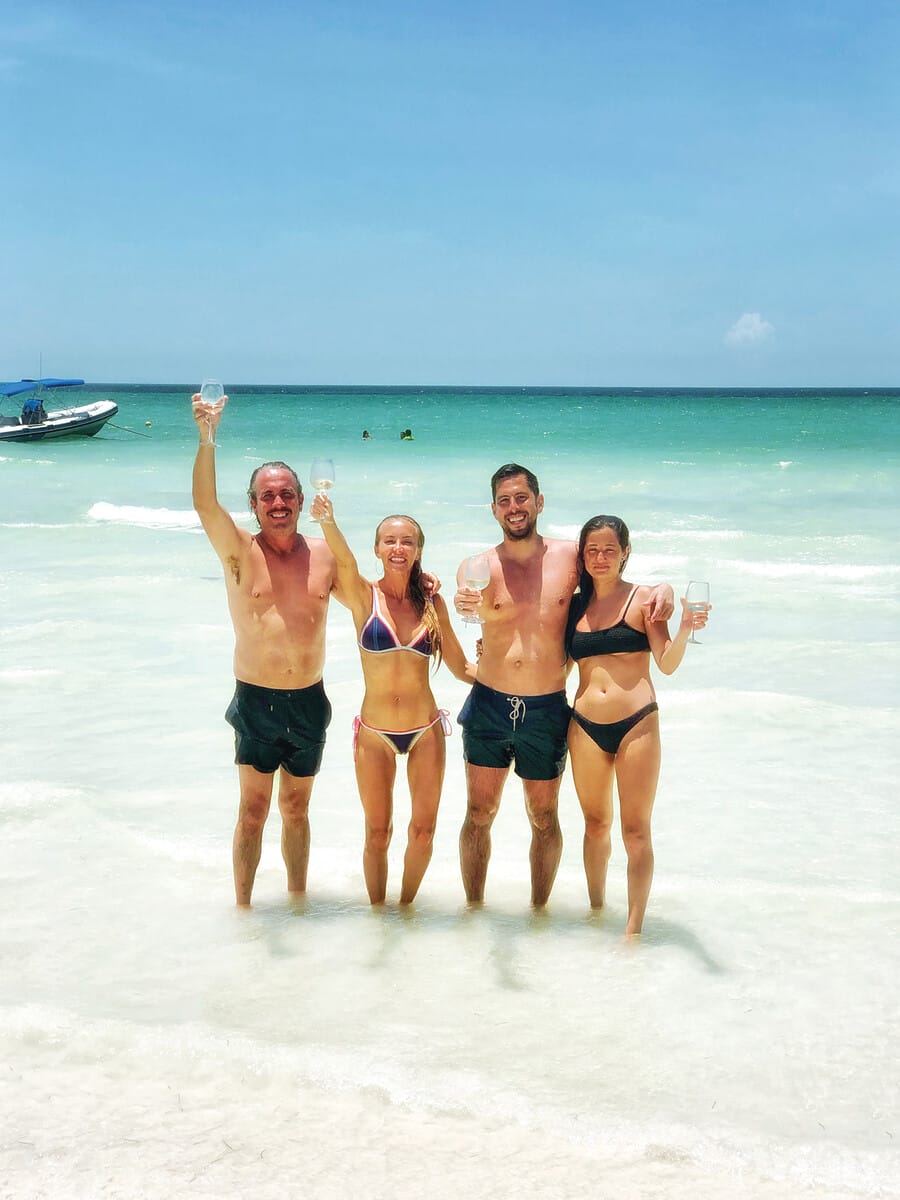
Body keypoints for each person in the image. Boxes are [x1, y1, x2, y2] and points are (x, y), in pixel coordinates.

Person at [454, 464, 674, 908]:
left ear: (539, 502)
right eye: (504, 500)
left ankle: (539, 915)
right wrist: (461, 602)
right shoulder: (478, 565)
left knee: (543, 817)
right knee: (479, 813)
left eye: (522, 498)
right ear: (493, 509)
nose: (514, 508)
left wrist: (663, 587)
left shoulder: (571, 558)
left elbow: (613, 576)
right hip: (489, 702)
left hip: (547, 707)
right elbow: (469, 604)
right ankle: (473, 913)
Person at [191, 393, 343, 907]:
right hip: (256, 699)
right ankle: (243, 910)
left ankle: (298, 902)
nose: (278, 504)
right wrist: (207, 437)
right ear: (254, 505)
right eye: (267, 496)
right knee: (253, 812)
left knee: (297, 810)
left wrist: (422, 586)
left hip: (308, 701)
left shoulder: (324, 557)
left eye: (286, 495)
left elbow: (370, 602)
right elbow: (204, 505)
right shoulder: (239, 551)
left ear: (301, 500)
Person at [310, 492, 474, 905]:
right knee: (377, 833)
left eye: (407, 542)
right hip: (375, 734)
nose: (398, 548)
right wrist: (328, 521)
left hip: (425, 731)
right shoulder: (364, 597)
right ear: (377, 549)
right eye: (390, 541)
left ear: (418, 550)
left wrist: (518, 676)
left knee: (423, 832)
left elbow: (461, 668)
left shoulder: (432, 603)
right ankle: (379, 918)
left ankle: (405, 912)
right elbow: (343, 561)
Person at [566, 515, 710, 936]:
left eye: (609, 550)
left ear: (625, 552)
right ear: (582, 555)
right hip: (584, 726)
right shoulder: (574, 606)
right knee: (595, 826)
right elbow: (554, 662)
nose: (600, 558)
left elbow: (666, 663)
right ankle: (596, 913)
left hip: (637, 724)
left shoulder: (643, 599)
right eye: (592, 550)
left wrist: (685, 628)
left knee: (635, 831)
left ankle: (632, 931)